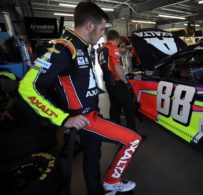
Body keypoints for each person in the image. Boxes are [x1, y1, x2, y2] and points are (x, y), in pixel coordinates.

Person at [18, 2, 141, 195]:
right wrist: (63, 119)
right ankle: (112, 181)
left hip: (92, 114)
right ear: (90, 26)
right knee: (133, 139)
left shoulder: (81, 45)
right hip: (84, 119)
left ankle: (96, 190)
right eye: (101, 29)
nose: (102, 34)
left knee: (93, 157)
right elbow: (27, 87)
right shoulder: (62, 48)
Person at [99, 30, 137, 131]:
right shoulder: (112, 48)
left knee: (114, 107)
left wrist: (121, 50)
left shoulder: (103, 49)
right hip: (117, 82)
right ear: (117, 39)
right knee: (128, 107)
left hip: (108, 83)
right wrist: (125, 82)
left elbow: (109, 61)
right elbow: (116, 67)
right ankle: (133, 134)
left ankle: (115, 130)